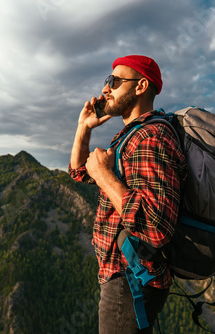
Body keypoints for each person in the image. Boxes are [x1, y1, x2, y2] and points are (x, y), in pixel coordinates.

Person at [69, 55, 187, 333]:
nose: (106, 88)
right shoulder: (132, 136)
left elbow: (157, 227)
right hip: (126, 274)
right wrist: (83, 128)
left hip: (131, 279)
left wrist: (104, 175)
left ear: (141, 86)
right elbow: (79, 172)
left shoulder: (150, 138)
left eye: (115, 81)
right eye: (107, 81)